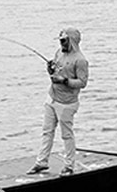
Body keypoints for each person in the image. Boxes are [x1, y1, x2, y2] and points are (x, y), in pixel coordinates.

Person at [28, 27, 90, 176]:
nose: (61, 44)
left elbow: (82, 82)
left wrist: (64, 80)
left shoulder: (80, 60)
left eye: (63, 41)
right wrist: (50, 70)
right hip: (52, 98)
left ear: (72, 41)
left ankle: (69, 166)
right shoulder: (59, 53)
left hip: (67, 103)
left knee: (66, 134)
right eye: (60, 41)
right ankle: (41, 162)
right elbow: (55, 72)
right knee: (47, 131)